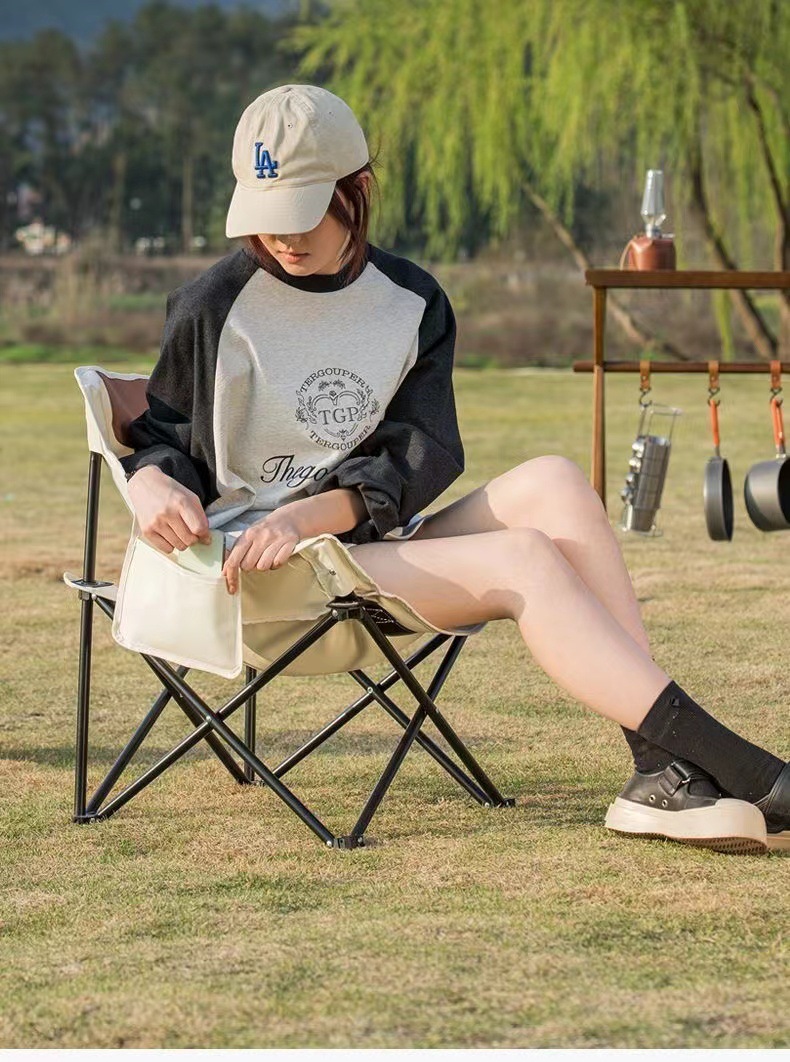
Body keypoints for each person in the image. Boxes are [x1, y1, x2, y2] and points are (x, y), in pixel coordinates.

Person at [120, 83, 790, 855]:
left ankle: (658, 771)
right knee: (523, 559)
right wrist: (150, 479)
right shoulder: (212, 304)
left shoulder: (412, 302)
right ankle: (753, 773)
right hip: (263, 577)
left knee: (555, 482)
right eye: (266, 216)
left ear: (356, 190)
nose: (283, 238)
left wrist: (316, 512)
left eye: (302, 213)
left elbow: (423, 448)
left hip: (360, 548)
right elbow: (164, 434)